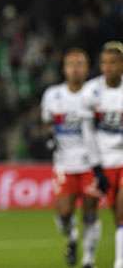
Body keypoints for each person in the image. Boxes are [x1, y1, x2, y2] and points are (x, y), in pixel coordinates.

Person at [41, 48, 106, 268]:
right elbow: (47, 124)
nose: (75, 68)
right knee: (65, 213)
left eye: (80, 64)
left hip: (90, 164)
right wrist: (49, 138)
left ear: (87, 68)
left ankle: (89, 259)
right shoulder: (52, 95)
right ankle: (72, 237)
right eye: (71, 64)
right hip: (64, 164)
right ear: (64, 69)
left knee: (90, 211)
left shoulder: (96, 93)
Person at [82, 41, 123, 268]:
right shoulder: (91, 91)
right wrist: (96, 167)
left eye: (114, 63)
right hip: (99, 161)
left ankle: (119, 262)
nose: (108, 67)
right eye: (105, 63)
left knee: (121, 212)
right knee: (89, 208)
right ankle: (88, 258)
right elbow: (87, 131)